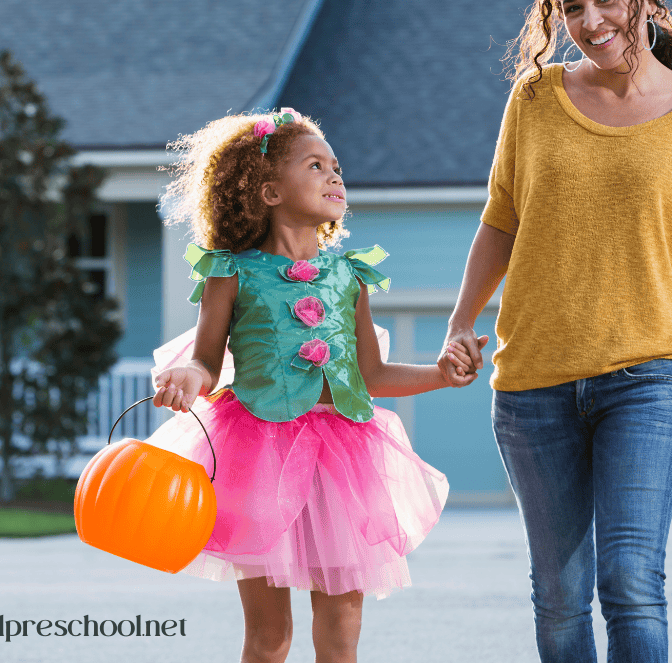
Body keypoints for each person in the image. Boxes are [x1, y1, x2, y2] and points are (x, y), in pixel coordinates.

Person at [438, 0, 672, 663]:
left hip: (649, 374)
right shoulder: (536, 98)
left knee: (630, 579)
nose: (590, 22)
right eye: (571, 8)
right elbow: (501, 220)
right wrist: (461, 321)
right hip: (534, 380)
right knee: (560, 595)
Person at [148, 108, 483, 663]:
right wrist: (191, 374)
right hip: (258, 453)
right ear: (270, 191)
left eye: (336, 167)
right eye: (316, 165)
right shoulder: (229, 272)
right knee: (269, 634)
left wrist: (440, 377)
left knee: (342, 625)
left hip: (343, 457)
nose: (335, 177)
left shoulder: (350, 274)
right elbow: (207, 361)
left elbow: (371, 377)